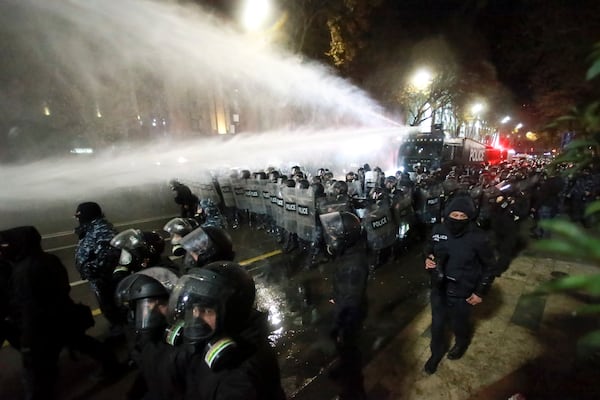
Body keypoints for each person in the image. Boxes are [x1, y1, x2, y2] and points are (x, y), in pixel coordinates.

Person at [0, 226, 122, 400]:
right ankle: (112, 365)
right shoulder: (48, 259)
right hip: (63, 314)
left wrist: (27, 341)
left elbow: (29, 308)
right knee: (83, 343)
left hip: (43, 327)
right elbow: (63, 287)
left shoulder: (23, 271)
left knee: (37, 372)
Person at [165, 261, 287, 399]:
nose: (196, 317)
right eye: (194, 308)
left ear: (232, 315)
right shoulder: (211, 338)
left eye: (206, 311)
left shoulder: (242, 378)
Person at [423, 196, 497, 374]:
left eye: (462, 216)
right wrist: (427, 259)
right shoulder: (438, 230)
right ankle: (436, 353)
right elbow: (428, 248)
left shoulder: (479, 238)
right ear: (447, 214)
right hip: (439, 288)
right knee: (437, 324)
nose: (456, 219)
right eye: (453, 214)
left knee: (459, 323)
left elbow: (490, 266)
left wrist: (480, 291)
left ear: (469, 217)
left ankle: (461, 343)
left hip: (462, 290)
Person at [320, 211, 369, 400]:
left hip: (349, 315)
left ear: (346, 237)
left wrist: (340, 325)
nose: (330, 238)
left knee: (349, 349)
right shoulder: (350, 251)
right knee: (344, 349)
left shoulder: (354, 264)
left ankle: (354, 390)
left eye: (335, 234)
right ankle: (343, 367)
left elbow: (351, 301)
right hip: (346, 305)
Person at [74, 201, 123, 333]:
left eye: (78, 215)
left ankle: (122, 331)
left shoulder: (101, 230)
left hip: (106, 281)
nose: (77, 219)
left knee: (112, 306)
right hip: (99, 281)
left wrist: (91, 268)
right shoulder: (91, 228)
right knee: (107, 306)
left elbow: (110, 255)